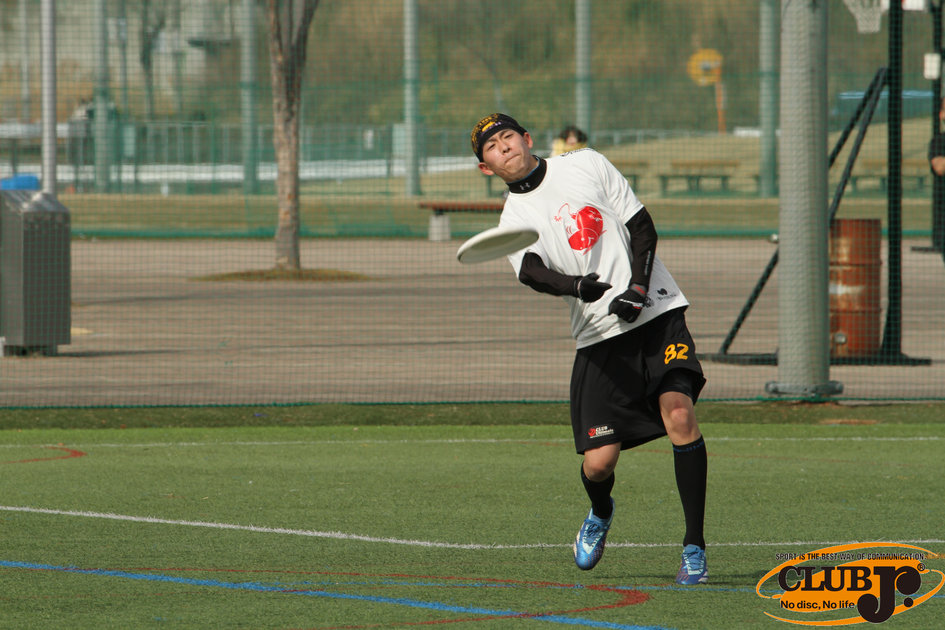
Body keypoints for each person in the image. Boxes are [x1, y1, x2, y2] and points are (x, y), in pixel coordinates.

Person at [470, 113, 708, 585]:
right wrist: (578, 286)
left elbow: (642, 227)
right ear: (485, 167)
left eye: (508, 137)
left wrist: (638, 288)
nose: (504, 147)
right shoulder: (513, 218)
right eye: (492, 147)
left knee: (680, 416)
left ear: (527, 139)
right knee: (599, 464)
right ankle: (600, 511)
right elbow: (532, 272)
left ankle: (694, 548)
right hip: (598, 334)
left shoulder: (585, 163)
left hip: (657, 313)